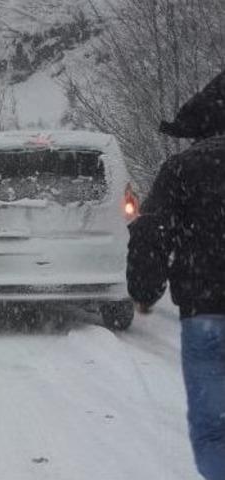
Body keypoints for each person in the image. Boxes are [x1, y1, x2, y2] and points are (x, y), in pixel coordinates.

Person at [128, 68, 225, 480]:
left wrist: (145, 290)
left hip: (206, 316)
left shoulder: (183, 169)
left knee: (213, 428)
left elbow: (152, 230)